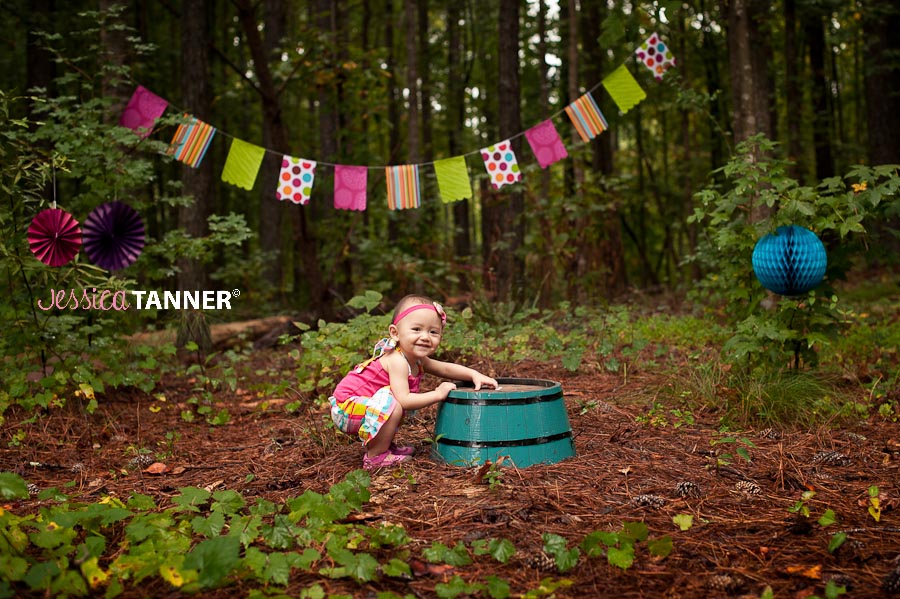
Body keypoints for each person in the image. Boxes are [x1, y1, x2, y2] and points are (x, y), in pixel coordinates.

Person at [329, 294, 498, 470]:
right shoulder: (397, 360)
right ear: (395, 332)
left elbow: (445, 369)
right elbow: (405, 400)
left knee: (391, 403)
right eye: (416, 329)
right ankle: (375, 457)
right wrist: (437, 394)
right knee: (394, 404)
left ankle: (383, 445)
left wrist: (474, 375)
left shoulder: (416, 359)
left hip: (362, 406)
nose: (425, 337)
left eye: (433, 332)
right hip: (346, 408)